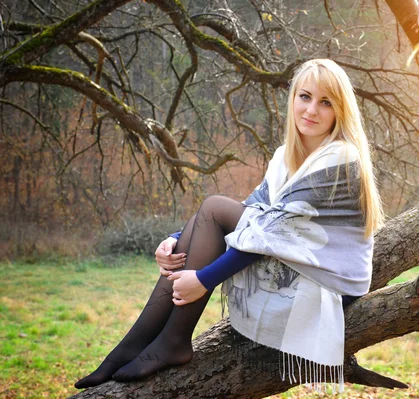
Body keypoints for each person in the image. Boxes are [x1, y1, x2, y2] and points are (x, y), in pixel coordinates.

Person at [74, 58, 384, 391]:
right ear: (293, 98)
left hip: (328, 286)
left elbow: (270, 232)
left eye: (325, 102)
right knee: (207, 215)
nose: (311, 109)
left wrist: (204, 280)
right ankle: (133, 346)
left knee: (214, 209)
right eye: (305, 96)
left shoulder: (340, 156)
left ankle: (171, 341)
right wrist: (176, 239)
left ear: (340, 110)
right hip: (301, 266)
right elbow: (253, 209)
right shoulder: (285, 156)